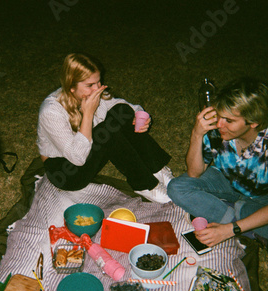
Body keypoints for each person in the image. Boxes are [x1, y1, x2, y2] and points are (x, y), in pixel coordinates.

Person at [167, 77, 268, 259]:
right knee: (176, 187)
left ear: (254, 122)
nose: (219, 125)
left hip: (264, 198)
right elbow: (194, 173)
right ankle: (251, 231)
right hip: (226, 180)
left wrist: (229, 230)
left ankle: (225, 214)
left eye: (229, 120)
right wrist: (197, 133)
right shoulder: (218, 127)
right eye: (219, 116)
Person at [37, 53, 173, 203]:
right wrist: (88, 114)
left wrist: (140, 115)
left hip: (84, 154)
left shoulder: (90, 94)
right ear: (71, 87)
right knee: (109, 134)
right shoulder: (51, 111)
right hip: (65, 172)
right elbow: (78, 158)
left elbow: (121, 107)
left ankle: (157, 170)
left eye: (98, 82)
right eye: (90, 85)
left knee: (122, 111)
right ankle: (146, 185)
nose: (97, 89)